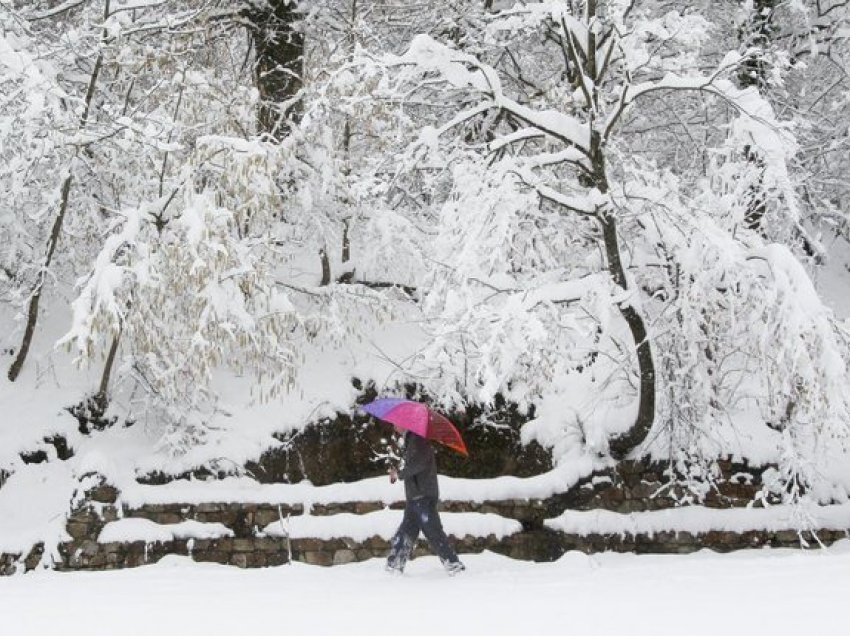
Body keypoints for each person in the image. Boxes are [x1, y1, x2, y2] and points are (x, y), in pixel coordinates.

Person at [385, 426, 465, 575]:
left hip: (422, 495)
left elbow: (418, 464)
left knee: (434, 532)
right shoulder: (412, 440)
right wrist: (399, 470)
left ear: (405, 423)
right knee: (406, 532)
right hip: (416, 496)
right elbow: (414, 463)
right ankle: (394, 564)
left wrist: (400, 474)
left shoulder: (418, 439)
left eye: (396, 422)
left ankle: (454, 564)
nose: (394, 425)